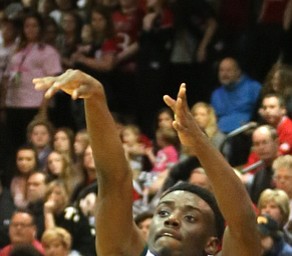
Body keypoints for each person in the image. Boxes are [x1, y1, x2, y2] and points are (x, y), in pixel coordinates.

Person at [33, 69, 261, 255]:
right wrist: (94, 99)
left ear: (212, 244)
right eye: (162, 213)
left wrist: (199, 143)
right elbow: (114, 181)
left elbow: (243, 223)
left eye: (190, 217)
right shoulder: (122, 250)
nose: (171, 219)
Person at [210, 57, 261, 165]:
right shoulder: (216, 94)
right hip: (220, 133)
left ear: (238, 72)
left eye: (228, 70)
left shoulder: (254, 88)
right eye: (221, 70)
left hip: (243, 134)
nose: (224, 74)